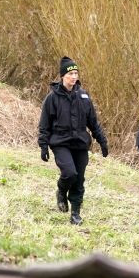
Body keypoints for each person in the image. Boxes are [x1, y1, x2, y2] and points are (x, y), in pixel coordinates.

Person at [38, 56, 109, 225]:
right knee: (69, 174)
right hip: (60, 142)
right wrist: (43, 146)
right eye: (70, 74)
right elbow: (44, 125)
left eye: (76, 73)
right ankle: (61, 192)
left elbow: (93, 122)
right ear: (63, 76)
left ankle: (75, 213)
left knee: (79, 179)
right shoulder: (52, 98)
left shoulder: (84, 97)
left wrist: (102, 141)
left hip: (80, 143)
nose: (74, 77)